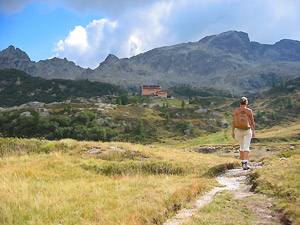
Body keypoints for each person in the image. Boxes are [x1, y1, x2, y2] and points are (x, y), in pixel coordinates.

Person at [232, 97, 255, 170]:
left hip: (239, 130)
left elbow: (234, 121)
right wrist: (253, 131)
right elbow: (252, 122)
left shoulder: (236, 111)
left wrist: (233, 131)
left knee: (241, 147)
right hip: (247, 130)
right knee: (246, 147)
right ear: (246, 103)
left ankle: (243, 162)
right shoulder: (249, 111)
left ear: (240, 103)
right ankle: (245, 163)